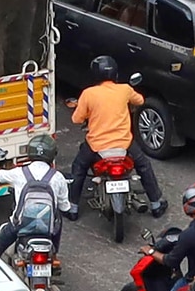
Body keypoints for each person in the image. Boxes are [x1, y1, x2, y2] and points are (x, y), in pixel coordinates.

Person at [64, 55, 166, 219]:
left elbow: (76, 119)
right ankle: (156, 203)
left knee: (79, 169)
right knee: (144, 166)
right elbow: (140, 101)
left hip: (96, 145)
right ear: (115, 74)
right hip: (124, 143)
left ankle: (73, 208)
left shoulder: (88, 94)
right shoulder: (125, 89)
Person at [0, 133, 71, 257]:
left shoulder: (19, 173)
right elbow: (65, 207)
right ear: (53, 154)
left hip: (20, 225)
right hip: (47, 229)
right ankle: (53, 254)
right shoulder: (58, 177)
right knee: (58, 217)